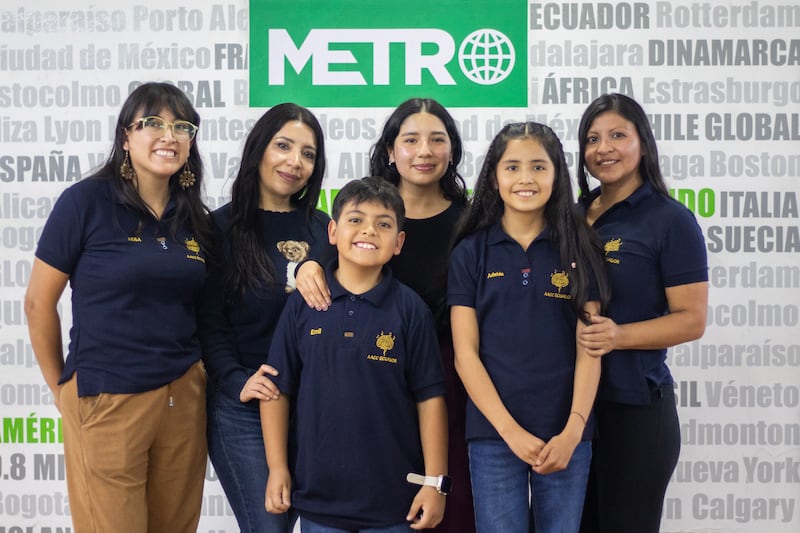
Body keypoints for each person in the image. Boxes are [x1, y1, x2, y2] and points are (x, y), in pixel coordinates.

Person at [24, 81, 214, 532]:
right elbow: (37, 303)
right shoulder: (85, 202)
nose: (169, 135)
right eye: (153, 123)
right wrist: (61, 389)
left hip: (183, 398)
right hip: (107, 394)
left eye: (182, 127)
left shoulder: (197, 221)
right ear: (125, 137)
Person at [297, 98, 474, 533]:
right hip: (370, 380)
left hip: (450, 380)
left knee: (448, 508)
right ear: (391, 150)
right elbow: (325, 262)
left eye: (437, 140)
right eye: (410, 140)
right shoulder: (366, 213)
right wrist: (306, 266)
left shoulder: (472, 221)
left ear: (452, 150)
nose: (424, 151)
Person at [262, 176, 449, 532]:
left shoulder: (410, 310)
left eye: (383, 224)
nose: (369, 231)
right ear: (332, 231)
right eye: (356, 219)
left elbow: (430, 399)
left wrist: (434, 481)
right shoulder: (304, 304)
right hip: (319, 501)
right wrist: (277, 468)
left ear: (399, 242)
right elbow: (277, 389)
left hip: (395, 504)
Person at [448, 122, 609, 533]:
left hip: (567, 435)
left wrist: (574, 429)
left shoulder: (579, 245)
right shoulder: (471, 251)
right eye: (513, 167)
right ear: (494, 177)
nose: (525, 179)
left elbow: (589, 346)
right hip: (494, 434)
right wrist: (509, 431)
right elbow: (465, 355)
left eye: (538, 167)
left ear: (556, 175)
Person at [197, 103, 334, 533]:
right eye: (284, 146)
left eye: (308, 154)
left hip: (314, 409)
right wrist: (238, 380)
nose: (295, 162)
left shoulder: (326, 229)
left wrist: (318, 266)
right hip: (245, 410)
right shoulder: (217, 229)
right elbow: (209, 324)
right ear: (258, 150)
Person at [575, 93, 708, 533]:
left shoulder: (669, 219)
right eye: (592, 139)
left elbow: (691, 319)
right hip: (568, 409)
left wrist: (619, 336)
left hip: (634, 410)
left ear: (643, 143)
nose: (603, 148)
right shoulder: (572, 217)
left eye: (618, 135)